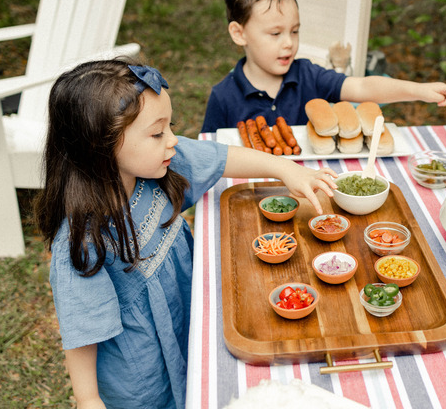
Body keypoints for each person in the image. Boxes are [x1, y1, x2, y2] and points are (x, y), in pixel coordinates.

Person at [34, 59, 337, 409]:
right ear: (102, 144)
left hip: (191, 327)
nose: (173, 140)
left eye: (169, 126)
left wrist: (284, 169)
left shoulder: (157, 167)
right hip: (141, 379)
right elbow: (84, 333)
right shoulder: (83, 241)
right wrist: (88, 399)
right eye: (157, 132)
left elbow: (219, 157)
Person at [201, 0, 446, 132]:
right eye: (275, 33)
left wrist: (419, 90)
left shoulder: (307, 74)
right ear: (239, 33)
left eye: (294, 31)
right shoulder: (223, 96)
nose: (289, 44)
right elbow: (209, 157)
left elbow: (362, 87)